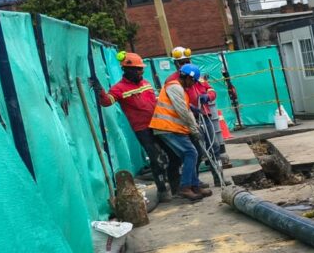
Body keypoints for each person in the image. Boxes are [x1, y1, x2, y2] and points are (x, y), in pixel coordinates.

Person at [92, 51, 178, 202]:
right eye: (138, 69)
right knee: (156, 158)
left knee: (172, 154)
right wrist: (99, 90)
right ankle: (162, 189)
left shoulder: (146, 83)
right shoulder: (119, 88)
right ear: (127, 69)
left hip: (159, 123)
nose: (141, 72)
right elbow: (106, 102)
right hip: (142, 129)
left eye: (141, 69)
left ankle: (176, 185)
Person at [149, 62, 208, 201]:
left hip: (171, 127)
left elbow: (186, 110)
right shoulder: (174, 87)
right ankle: (185, 187)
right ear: (188, 77)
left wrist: (195, 126)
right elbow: (182, 111)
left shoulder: (179, 88)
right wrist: (194, 130)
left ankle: (194, 185)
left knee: (190, 154)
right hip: (166, 127)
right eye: (193, 81)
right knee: (191, 153)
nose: (193, 85)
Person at [183, 64, 223, 187]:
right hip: (192, 119)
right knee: (197, 151)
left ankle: (219, 178)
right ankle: (195, 183)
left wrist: (208, 96)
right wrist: (190, 107)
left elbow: (211, 91)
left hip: (205, 116)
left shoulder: (198, 79)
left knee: (214, 147)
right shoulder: (180, 82)